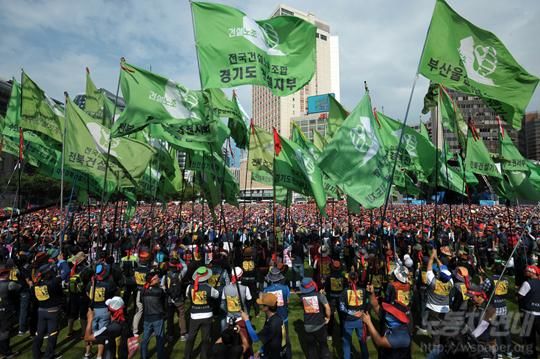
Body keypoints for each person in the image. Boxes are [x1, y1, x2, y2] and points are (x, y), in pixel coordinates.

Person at [362, 284, 412, 359]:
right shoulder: (390, 317)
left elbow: (379, 341)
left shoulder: (402, 335)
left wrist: (369, 322)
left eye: (390, 312)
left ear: (397, 317)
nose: (387, 312)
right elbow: (375, 306)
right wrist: (371, 293)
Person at [185, 266, 220, 359]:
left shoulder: (189, 287)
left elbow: (188, 296)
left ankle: (187, 356)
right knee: (205, 338)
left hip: (194, 315)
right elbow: (217, 295)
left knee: (191, 337)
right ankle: (203, 356)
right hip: (207, 316)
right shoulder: (209, 288)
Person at [31, 263, 64, 359]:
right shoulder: (53, 283)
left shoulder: (36, 285)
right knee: (52, 334)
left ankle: (36, 354)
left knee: (39, 333)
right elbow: (60, 294)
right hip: (52, 311)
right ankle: (49, 355)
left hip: (41, 311)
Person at [241, 293, 285, 359]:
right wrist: (260, 351)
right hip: (272, 351)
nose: (260, 306)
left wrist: (247, 320)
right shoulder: (276, 318)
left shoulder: (272, 323)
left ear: (267, 307)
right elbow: (270, 339)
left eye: (262, 304)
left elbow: (255, 338)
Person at [299, 277, 331, 359]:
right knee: (323, 346)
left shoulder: (301, 298)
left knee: (311, 348)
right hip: (320, 325)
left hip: (307, 326)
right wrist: (328, 317)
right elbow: (327, 308)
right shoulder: (320, 296)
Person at [339, 271, 368, 359]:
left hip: (348, 320)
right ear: (357, 279)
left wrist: (351, 312)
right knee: (362, 341)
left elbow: (341, 307)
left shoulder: (344, 292)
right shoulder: (363, 290)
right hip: (360, 319)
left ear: (348, 280)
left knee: (347, 343)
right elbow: (367, 303)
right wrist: (362, 311)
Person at [141, 271, 166, 359]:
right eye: (156, 278)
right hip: (157, 317)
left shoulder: (143, 290)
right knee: (160, 339)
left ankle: (143, 356)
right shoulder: (159, 291)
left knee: (145, 340)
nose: (158, 279)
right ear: (152, 280)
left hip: (147, 317)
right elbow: (164, 301)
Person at [517, 265, 540, 359]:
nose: (525, 272)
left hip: (528, 313)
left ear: (532, 273)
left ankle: (531, 355)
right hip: (539, 314)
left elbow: (520, 296)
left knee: (529, 337)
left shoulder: (527, 283)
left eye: (527, 271)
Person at [164, 255, 188, 341]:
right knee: (181, 316)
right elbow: (185, 267)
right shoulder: (180, 274)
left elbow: (163, 286)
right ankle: (183, 334)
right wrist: (179, 258)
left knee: (170, 317)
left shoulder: (166, 275)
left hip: (170, 298)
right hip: (179, 298)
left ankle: (170, 335)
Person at [0, 263, 21, 358]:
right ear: (5, 274)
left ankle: (3, 350)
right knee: (5, 331)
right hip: (6, 310)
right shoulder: (10, 284)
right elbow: (20, 288)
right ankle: (6, 352)